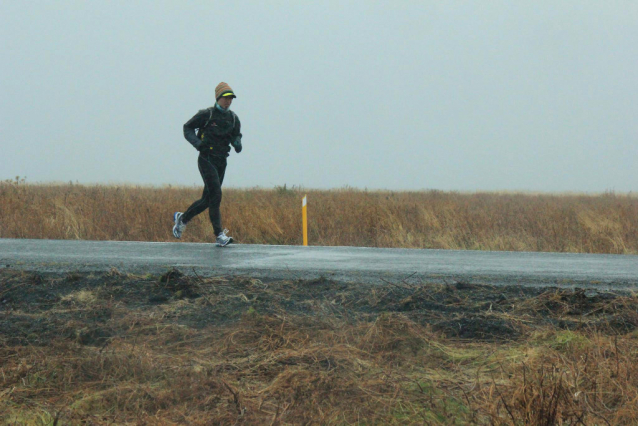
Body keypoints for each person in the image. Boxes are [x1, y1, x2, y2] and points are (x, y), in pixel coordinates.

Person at [172, 82, 242, 246]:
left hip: (221, 160)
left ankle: (182, 218)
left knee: (207, 199)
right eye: (225, 98)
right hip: (206, 159)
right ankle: (219, 235)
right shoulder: (206, 114)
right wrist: (197, 143)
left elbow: (236, 135)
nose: (228, 101)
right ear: (218, 98)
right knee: (216, 194)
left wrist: (237, 143)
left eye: (231, 98)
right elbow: (187, 128)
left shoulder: (233, 118)